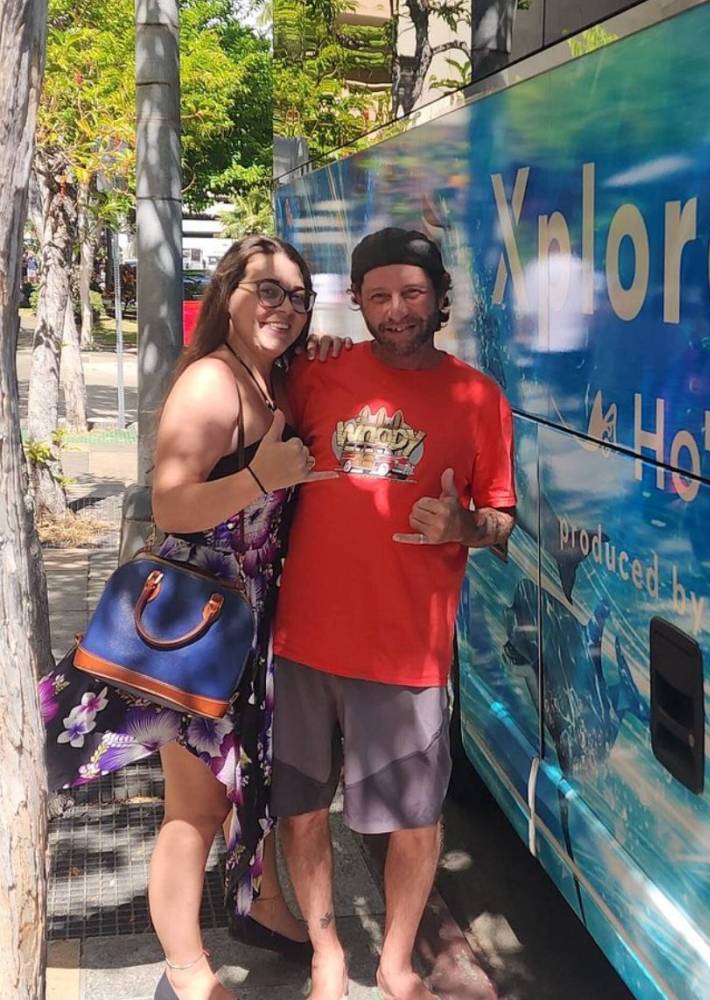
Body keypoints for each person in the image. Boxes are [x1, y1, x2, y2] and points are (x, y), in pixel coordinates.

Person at [39, 235, 337, 1000]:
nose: (285, 308)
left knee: (253, 782)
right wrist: (263, 476)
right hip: (197, 632)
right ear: (228, 291)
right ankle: (185, 973)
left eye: (298, 296)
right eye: (267, 290)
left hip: (246, 628)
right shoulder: (212, 382)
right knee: (195, 808)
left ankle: (263, 909)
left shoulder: (266, 380)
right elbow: (171, 503)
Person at [271, 228, 517, 1000]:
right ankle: (327, 958)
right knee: (304, 811)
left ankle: (396, 961)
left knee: (413, 821)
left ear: (440, 298)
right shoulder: (319, 378)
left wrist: (468, 527)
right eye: (378, 296)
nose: (396, 310)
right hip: (304, 640)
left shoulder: (478, 398)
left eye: (411, 293)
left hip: (407, 651)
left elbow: (503, 523)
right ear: (358, 302)